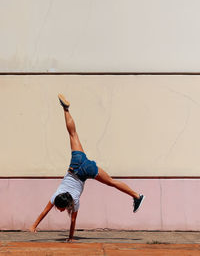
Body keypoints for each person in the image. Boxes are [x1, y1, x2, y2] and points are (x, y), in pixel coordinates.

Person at [29, 94, 145, 242]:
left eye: (59, 209)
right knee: (73, 134)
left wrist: (70, 238)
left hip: (86, 171)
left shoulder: (74, 201)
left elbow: (71, 221)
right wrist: (33, 225)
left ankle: (137, 196)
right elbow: (45, 212)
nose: (58, 210)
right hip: (77, 163)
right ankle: (65, 109)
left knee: (111, 182)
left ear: (65, 205)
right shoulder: (57, 195)